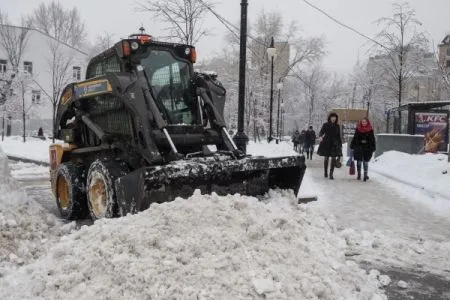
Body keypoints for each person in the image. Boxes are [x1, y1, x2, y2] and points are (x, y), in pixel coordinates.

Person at [317, 113, 342, 180]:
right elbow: (321, 132)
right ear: (330, 118)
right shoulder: (325, 125)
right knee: (326, 158)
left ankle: (331, 174)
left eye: (335, 117)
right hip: (326, 143)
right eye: (332, 117)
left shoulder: (337, 126)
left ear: (336, 118)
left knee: (333, 159)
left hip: (334, 144)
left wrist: (340, 145)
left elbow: (338, 136)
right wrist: (321, 136)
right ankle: (325, 172)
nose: (333, 118)